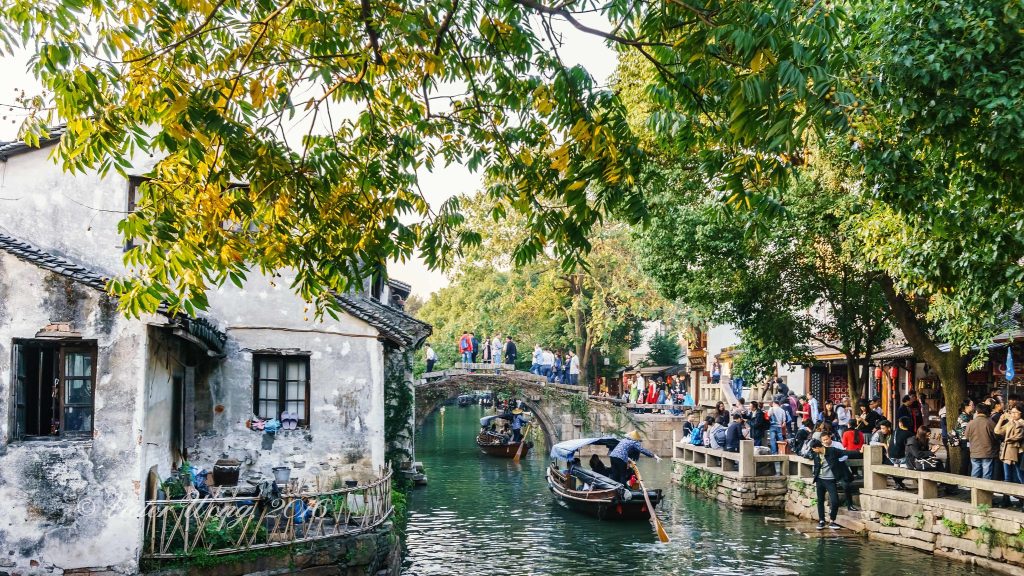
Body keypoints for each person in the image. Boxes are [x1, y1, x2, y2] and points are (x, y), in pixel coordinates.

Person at [810, 432, 858, 530]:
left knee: (835, 501)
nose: (813, 451)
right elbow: (816, 465)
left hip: (830, 480)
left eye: (814, 449)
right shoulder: (816, 455)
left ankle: (832, 520)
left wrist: (860, 452)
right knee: (820, 501)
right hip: (820, 480)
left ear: (818, 447)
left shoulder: (832, 451)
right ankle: (821, 521)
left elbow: (845, 453)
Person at [965, 402, 998, 480]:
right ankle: (985, 491)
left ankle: (974, 490)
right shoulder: (990, 422)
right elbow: (996, 436)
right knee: (986, 474)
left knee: (975, 472)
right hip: (987, 452)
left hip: (974, 452)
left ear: (977, 412)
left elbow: (966, 436)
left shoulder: (971, 423)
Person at [995, 404, 1024, 491]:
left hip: (1019, 453)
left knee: (1020, 476)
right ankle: (1006, 499)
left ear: (1021, 413)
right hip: (1007, 452)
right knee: (1007, 476)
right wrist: (1001, 419)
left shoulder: (1021, 422)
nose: (1013, 414)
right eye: (1012, 412)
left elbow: (1018, 432)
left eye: (1015, 412)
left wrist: (1010, 419)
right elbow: (997, 431)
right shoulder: (1010, 422)